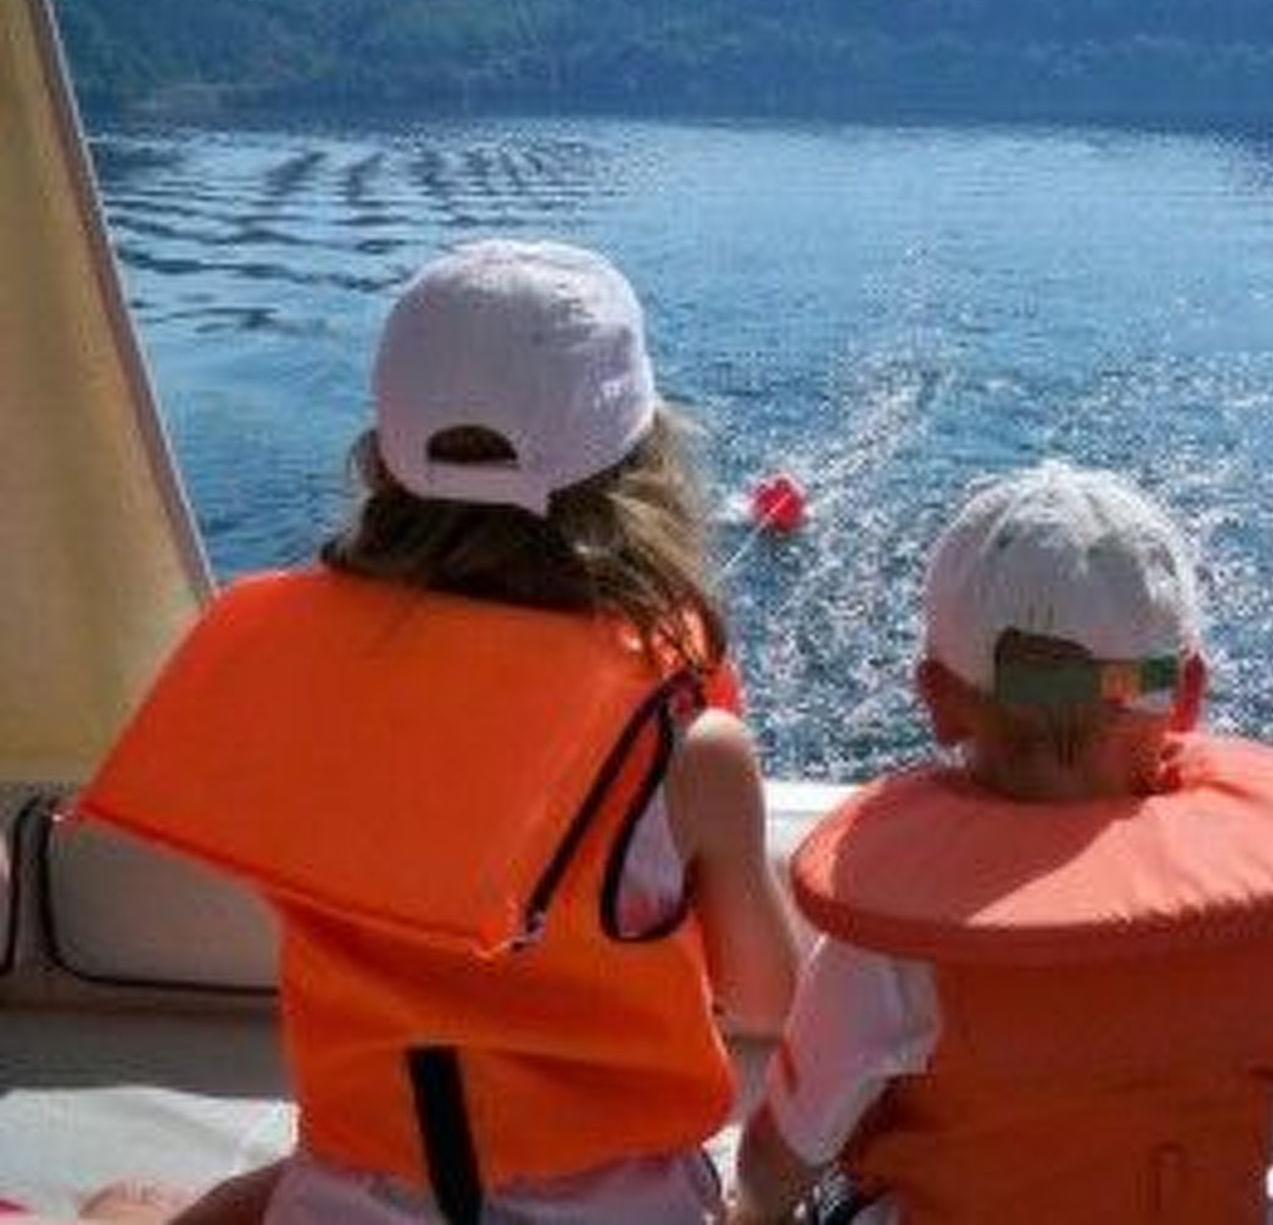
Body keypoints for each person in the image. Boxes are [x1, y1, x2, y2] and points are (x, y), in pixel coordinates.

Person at [77, 239, 798, 1224]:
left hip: (351, 1188)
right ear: (646, 462)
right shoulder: (690, 746)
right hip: (625, 1206)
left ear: (381, 454)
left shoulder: (290, 676)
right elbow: (762, 998)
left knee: (131, 1206)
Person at [732, 461, 1273, 1224]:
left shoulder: (899, 939)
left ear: (940, 701)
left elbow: (789, 1148)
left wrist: (752, 1207)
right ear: (1186, 695)